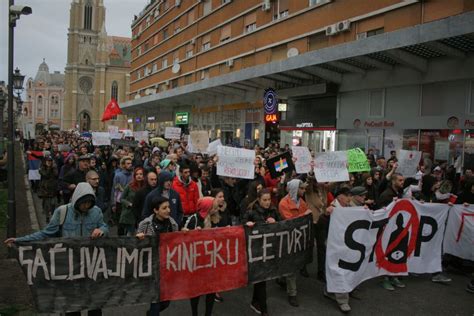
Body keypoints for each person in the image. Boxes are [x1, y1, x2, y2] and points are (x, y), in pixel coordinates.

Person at [136, 196, 177, 316]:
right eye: (164, 208)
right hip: (151, 267)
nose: (168, 210)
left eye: (169, 207)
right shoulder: (145, 224)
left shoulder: (173, 224)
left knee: (166, 302)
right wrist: (139, 239)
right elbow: (136, 245)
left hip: (167, 267)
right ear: (155, 210)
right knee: (155, 300)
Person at [243, 189, 280, 316]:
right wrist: (247, 224)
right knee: (261, 279)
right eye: (264, 200)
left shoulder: (274, 211)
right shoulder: (251, 212)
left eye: (269, 199)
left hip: (269, 249)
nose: (267, 202)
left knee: (261, 279)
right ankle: (264, 310)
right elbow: (242, 226)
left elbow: (283, 226)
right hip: (256, 251)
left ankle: (254, 301)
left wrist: (276, 222)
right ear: (259, 200)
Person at [278, 179, 312, 307]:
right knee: (291, 266)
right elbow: (289, 221)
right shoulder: (283, 203)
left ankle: (281, 278)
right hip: (287, 237)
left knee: (289, 264)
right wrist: (304, 215)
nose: (304, 191)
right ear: (294, 189)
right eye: (301, 189)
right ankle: (292, 294)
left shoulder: (302, 202)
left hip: (298, 237)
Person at [182, 197, 219, 316]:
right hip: (197, 261)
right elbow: (184, 237)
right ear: (207, 207)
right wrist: (191, 233)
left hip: (212, 259)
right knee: (196, 290)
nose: (217, 208)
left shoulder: (217, 218)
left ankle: (208, 313)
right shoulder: (194, 219)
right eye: (214, 206)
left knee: (211, 289)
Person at [377, 173, 406, 291]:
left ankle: (393, 275)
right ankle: (384, 278)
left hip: (396, 227)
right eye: (400, 180)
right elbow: (381, 210)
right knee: (386, 253)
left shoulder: (398, 193)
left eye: (403, 180)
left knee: (396, 252)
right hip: (388, 228)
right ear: (393, 181)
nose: (402, 182)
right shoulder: (386, 194)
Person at [111, 157, 133, 235]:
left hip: (130, 202)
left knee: (129, 224)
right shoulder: (118, 176)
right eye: (128, 163)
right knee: (120, 224)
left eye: (131, 163)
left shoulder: (133, 175)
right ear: (123, 165)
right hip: (120, 202)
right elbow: (115, 190)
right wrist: (113, 204)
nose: (130, 165)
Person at [120, 167, 145, 236]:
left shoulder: (146, 187)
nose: (139, 176)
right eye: (137, 174)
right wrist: (129, 204)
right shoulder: (130, 186)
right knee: (130, 234)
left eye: (141, 174)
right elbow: (122, 199)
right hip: (130, 213)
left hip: (141, 214)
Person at [37, 156, 58, 221]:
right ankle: (47, 216)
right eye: (48, 161)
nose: (49, 162)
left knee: (53, 203)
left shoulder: (54, 168)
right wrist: (48, 168)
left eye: (50, 161)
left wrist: (53, 167)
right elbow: (46, 175)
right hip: (45, 189)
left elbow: (56, 174)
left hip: (53, 188)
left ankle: (52, 214)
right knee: (47, 204)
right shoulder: (42, 168)